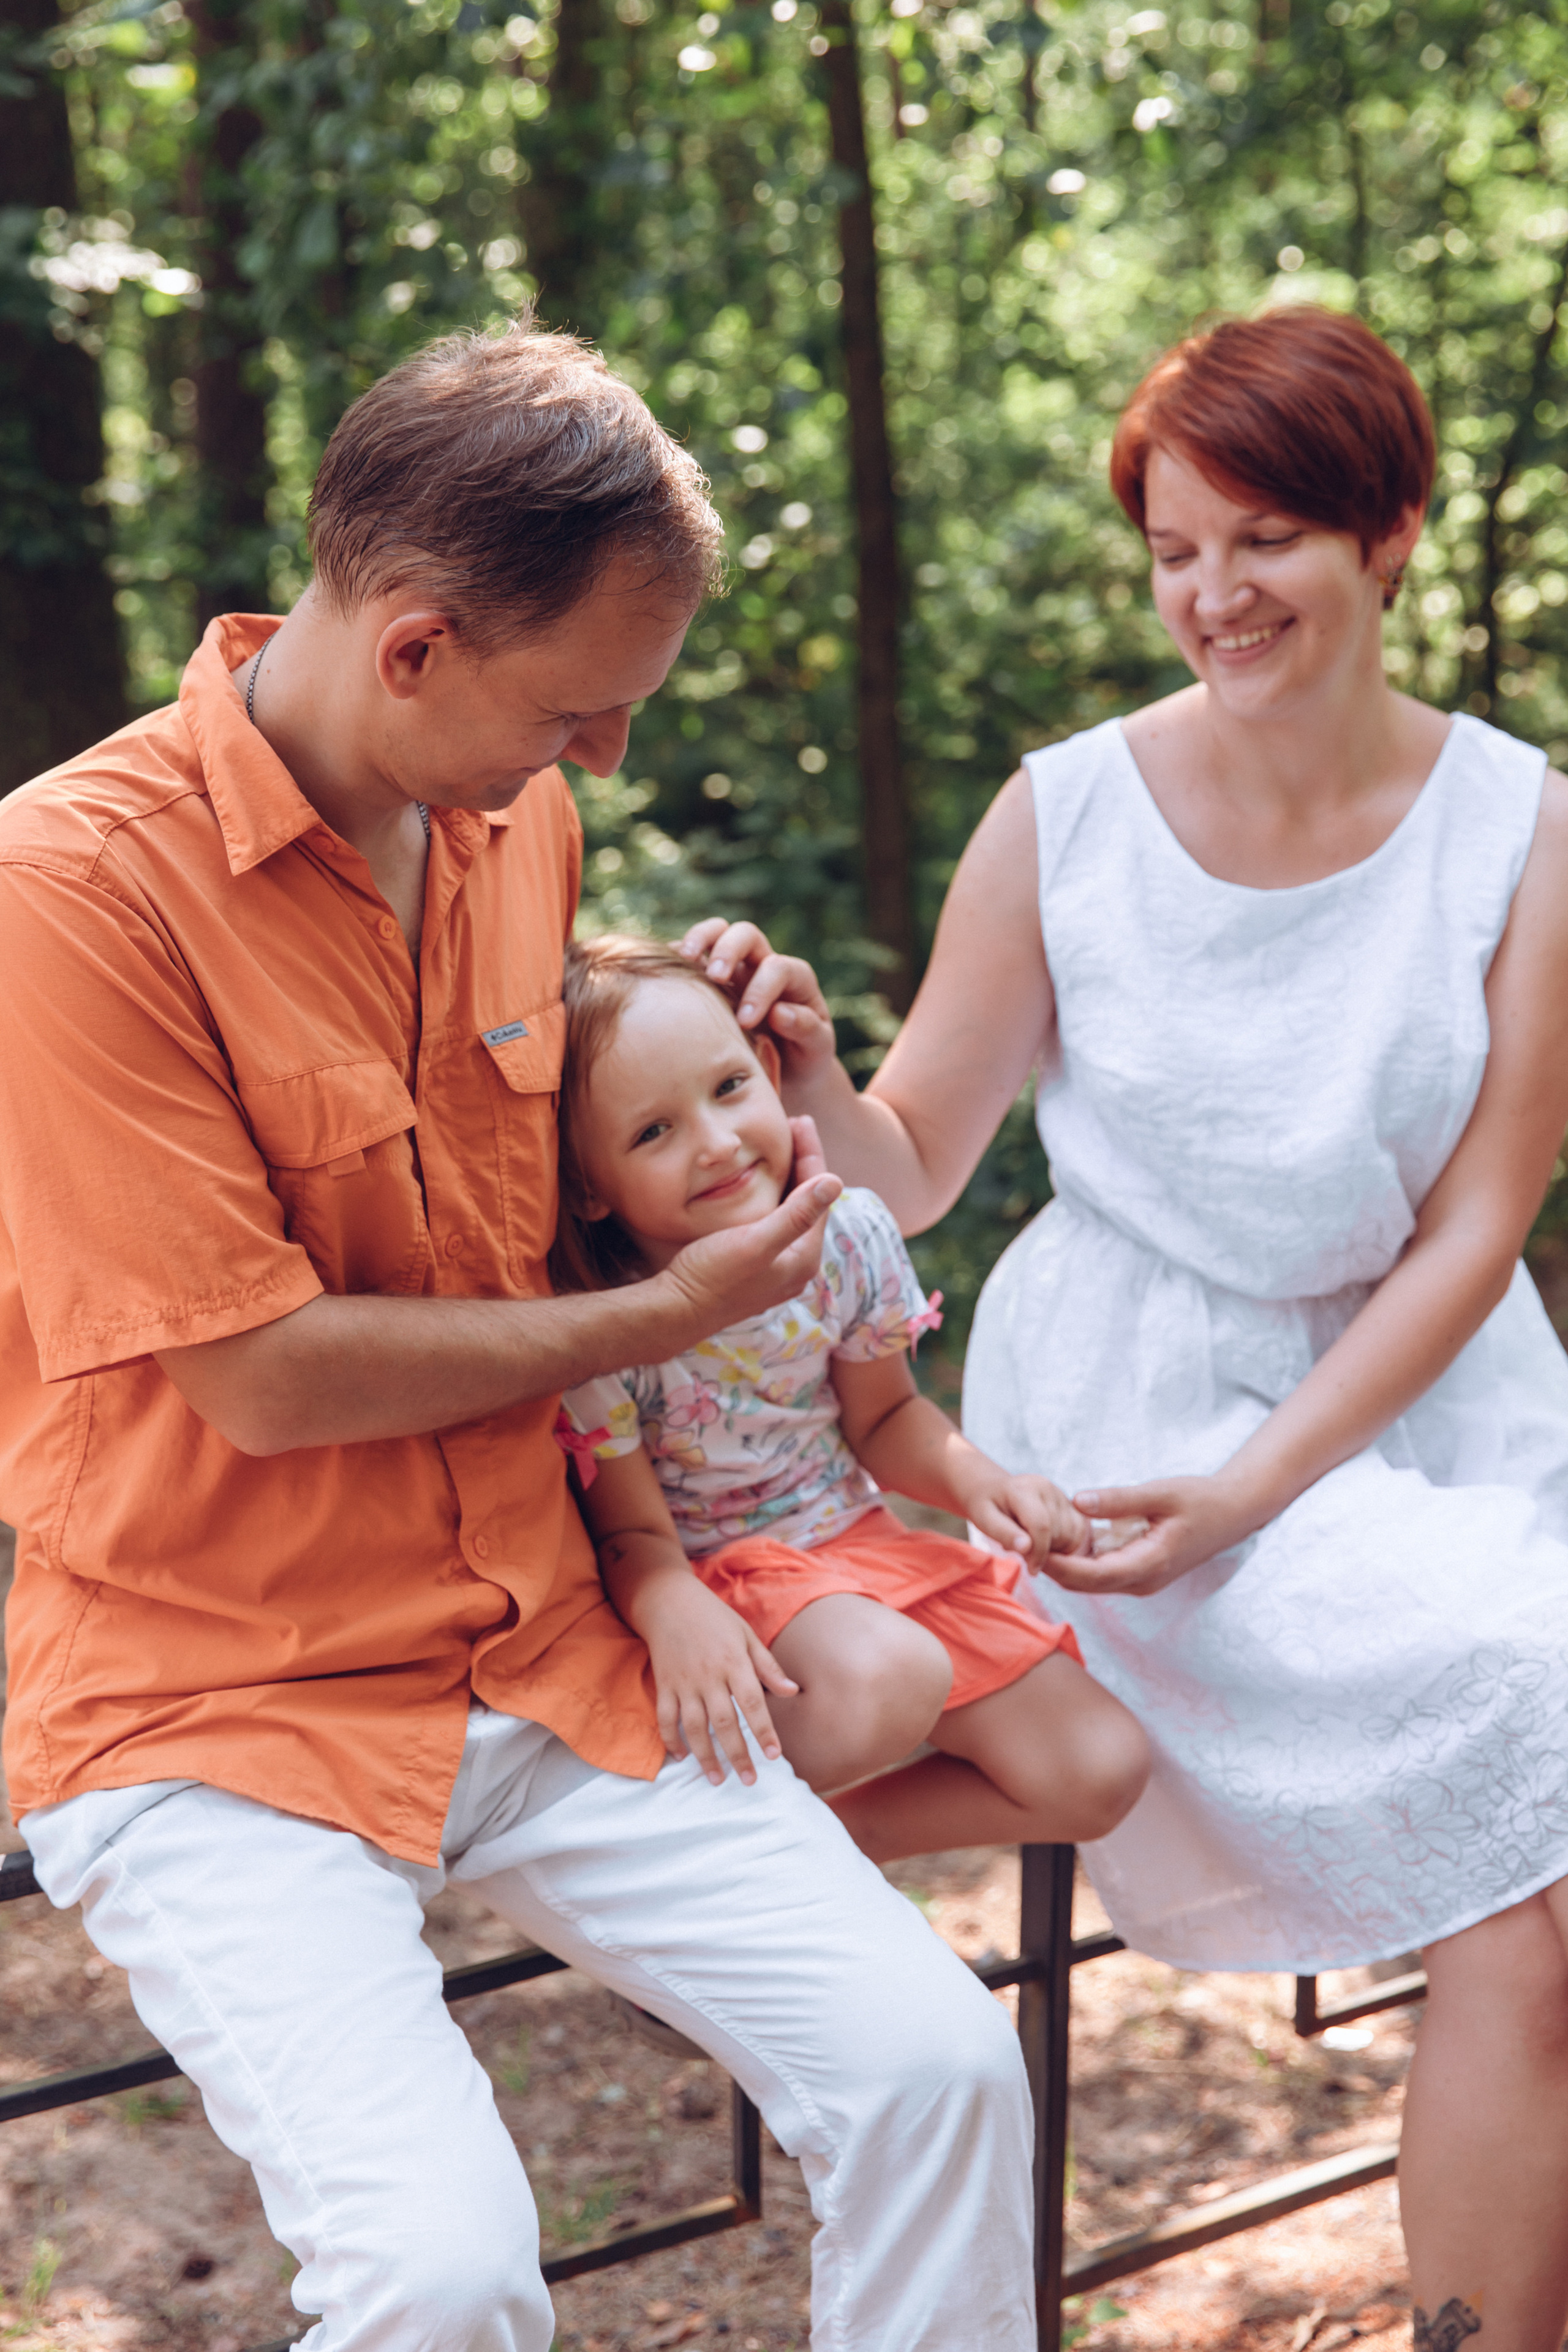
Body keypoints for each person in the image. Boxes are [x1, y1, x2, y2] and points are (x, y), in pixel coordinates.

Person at [0, 315, 1041, 2352]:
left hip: (552, 1643)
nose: (607, 761)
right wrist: (664, 1316)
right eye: (581, 709)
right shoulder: (66, 892)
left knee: (941, 2076)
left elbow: (545, 1193)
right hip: (217, 1704)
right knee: (443, 2276)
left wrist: (721, 1048)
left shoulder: (520, 829)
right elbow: (262, 1370)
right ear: (413, 646)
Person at [686, 306, 1568, 2351]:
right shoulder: (1066, 812)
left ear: (1393, 537)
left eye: (1264, 537)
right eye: (1176, 548)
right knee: (1537, 1816)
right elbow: (904, 1170)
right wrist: (804, 1062)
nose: (1212, 594)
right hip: (1135, 1409)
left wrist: (1267, 1484)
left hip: (1429, 1404)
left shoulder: (1521, 822)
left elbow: (1479, 1228)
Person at [551, 933, 1150, 1860]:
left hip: (854, 1550)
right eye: (652, 1131)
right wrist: (671, 1605)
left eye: (728, 1089)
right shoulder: (603, 1321)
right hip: (715, 1589)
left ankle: (815, 1855)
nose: (716, 1144)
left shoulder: (848, 1235)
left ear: (766, 1069)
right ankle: (680, 1845)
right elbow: (633, 1539)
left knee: (1097, 1764)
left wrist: (984, 1484)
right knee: (890, 1673)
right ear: (590, 1188)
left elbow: (885, 1419)